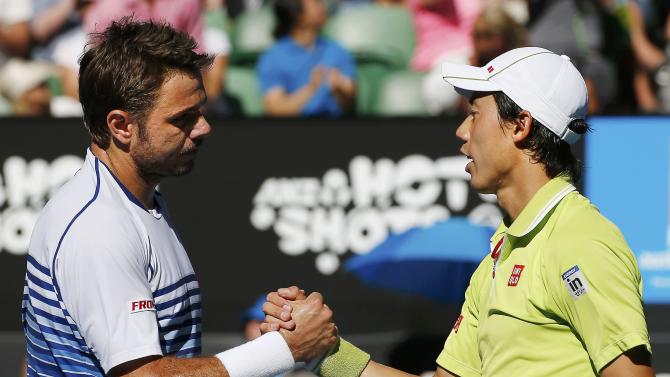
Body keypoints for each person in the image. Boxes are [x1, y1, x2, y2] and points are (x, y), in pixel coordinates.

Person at [261, 47, 655, 376]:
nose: (462, 132)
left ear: (520, 125)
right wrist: (324, 352)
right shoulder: (498, 257)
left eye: (474, 113)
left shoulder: (580, 239)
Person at [21, 18, 337, 376]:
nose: (204, 127)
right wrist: (284, 351)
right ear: (121, 126)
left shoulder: (132, 201)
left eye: (199, 111)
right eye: (182, 118)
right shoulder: (98, 228)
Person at [256, 0, 356, 117]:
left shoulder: (335, 49)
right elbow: (275, 110)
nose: (322, 7)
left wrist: (340, 89)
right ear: (298, 15)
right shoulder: (272, 57)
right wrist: (311, 88)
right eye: (315, 3)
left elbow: (349, 98)